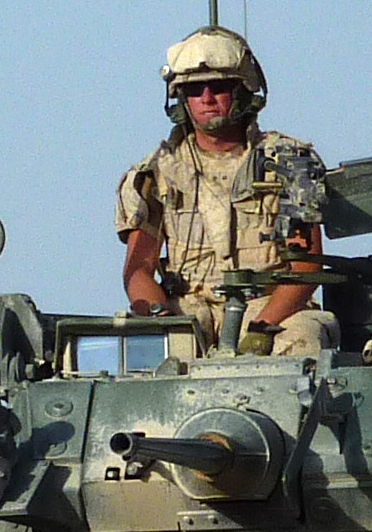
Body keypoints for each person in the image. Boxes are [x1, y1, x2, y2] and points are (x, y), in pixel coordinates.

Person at [115, 27, 336, 357]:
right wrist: (159, 318)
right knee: (132, 355)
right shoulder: (157, 172)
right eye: (193, 89)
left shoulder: (288, 163)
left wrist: (264, 325)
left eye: (218, 86)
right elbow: (138, 269)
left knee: (300, 344)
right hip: (188, 309)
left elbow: (305, 267)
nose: (206, 97)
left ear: (243, 90)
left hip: (271, 305)